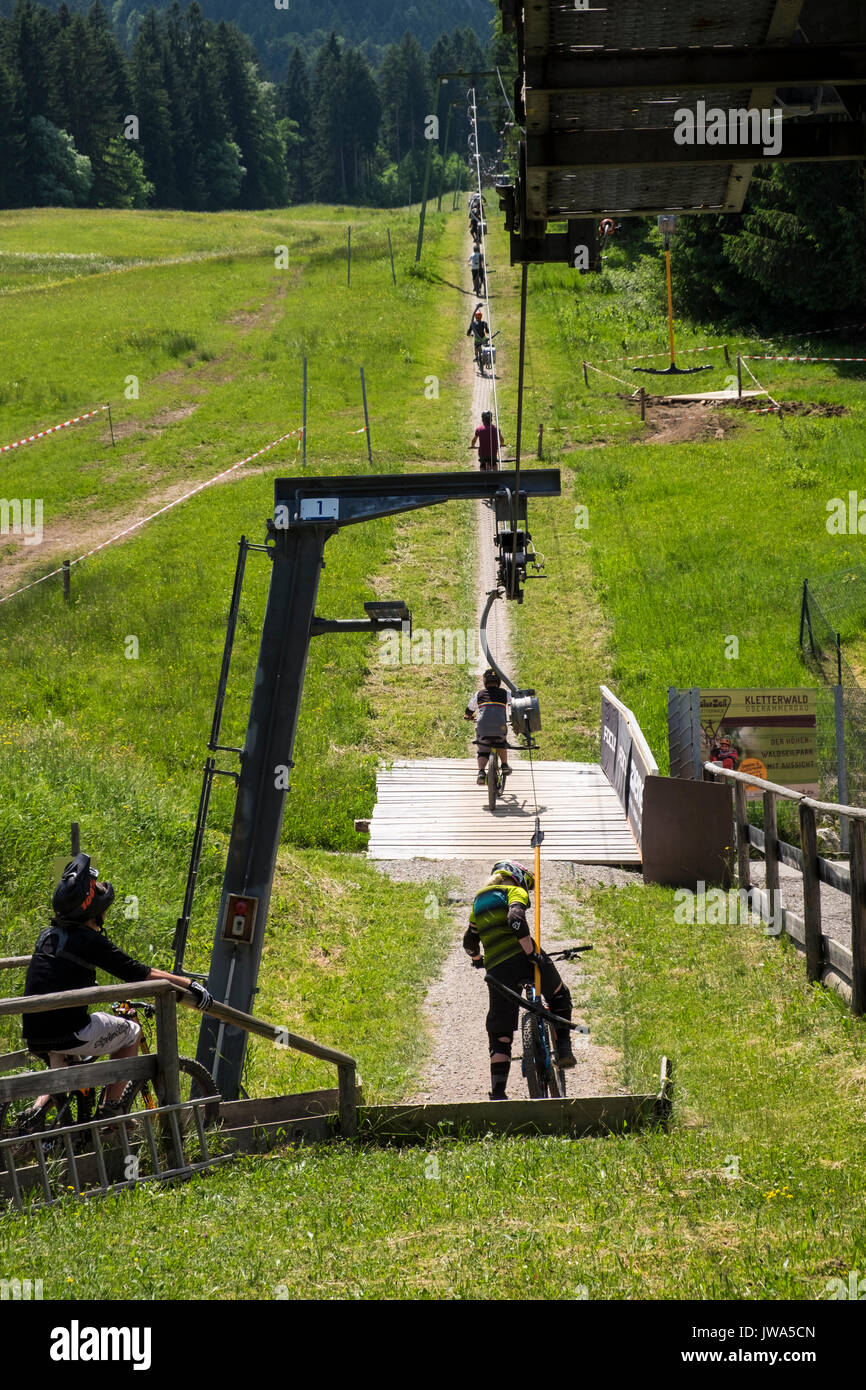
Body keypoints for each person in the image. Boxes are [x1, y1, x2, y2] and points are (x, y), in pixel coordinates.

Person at [21, 852, 213, 1121]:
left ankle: (35, 1115)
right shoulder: (88, 940)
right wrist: (189, 984)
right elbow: (139, 973)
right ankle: (111, 1109)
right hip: (68, 1032)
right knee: (131, 1032)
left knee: (64, 1062)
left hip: (34, 1032)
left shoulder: (48, 935)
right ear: (93, 914)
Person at [463, 861, 575, 1099]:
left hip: (497, 971)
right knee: (559, 995)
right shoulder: (514, 891)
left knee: (500, 1029)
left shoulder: (478, 901)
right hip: (523, 959)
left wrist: (478, 959)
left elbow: (469, 942)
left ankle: (498, 1094)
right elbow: (516, 918)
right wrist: (531, 953)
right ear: (517, 878)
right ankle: (564, 1048)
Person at [464, 668, 512, 783]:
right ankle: (504, 765)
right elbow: (515, 703)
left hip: (483, 728)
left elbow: (469, 709)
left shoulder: (479, 694)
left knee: (483, 749)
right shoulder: (505, 693)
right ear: (499, 682)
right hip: (500, 727)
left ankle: (481, 772)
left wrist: (468, 716)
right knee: (501, 743)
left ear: (485, 682)